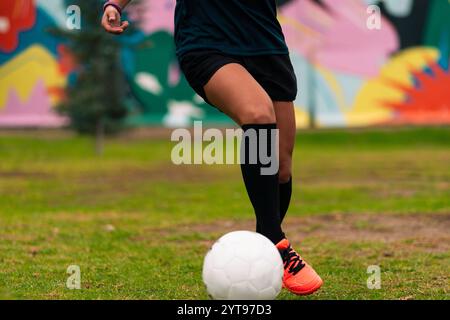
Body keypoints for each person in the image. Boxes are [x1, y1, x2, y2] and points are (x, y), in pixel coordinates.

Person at [102, 0, 322, 296]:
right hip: (206, 42)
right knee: (257, 114)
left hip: (265, 43)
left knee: (281, 168)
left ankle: (263, 257)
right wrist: (115, 4)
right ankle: (275, 243)